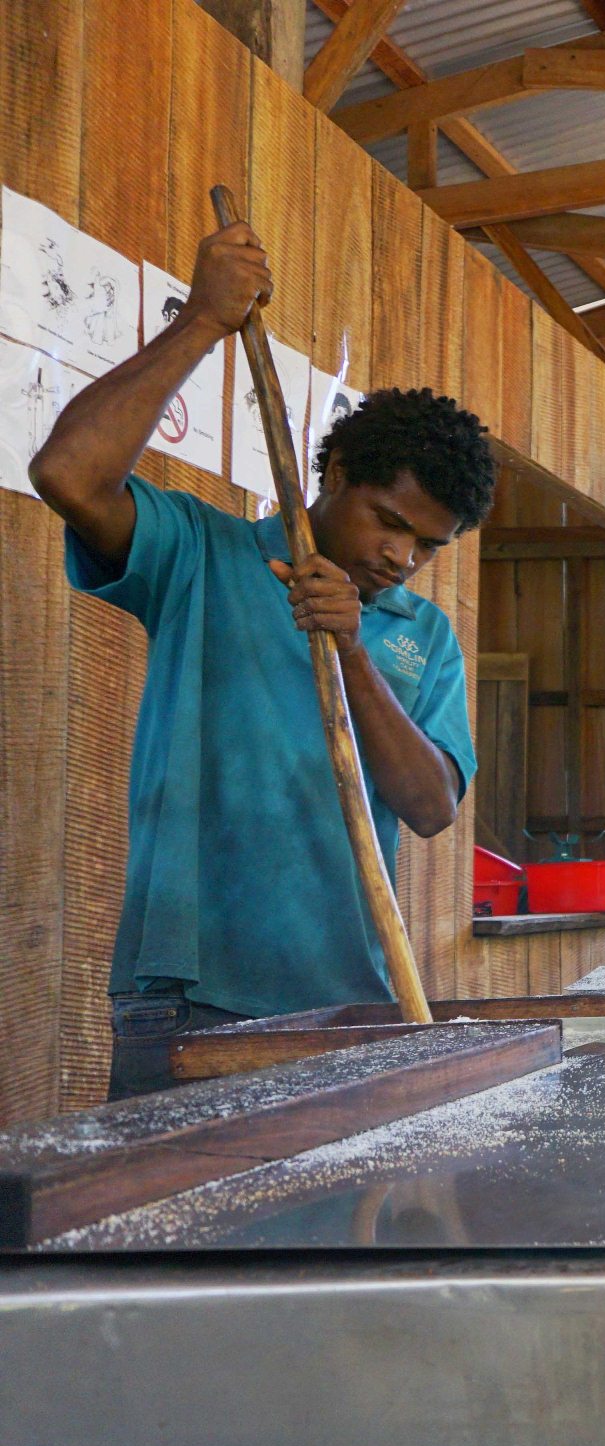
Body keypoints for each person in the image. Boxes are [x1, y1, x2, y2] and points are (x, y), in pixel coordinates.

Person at [29, 221, 493, 1099]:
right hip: (188, 996)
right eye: (389, 523)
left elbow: (430, 807)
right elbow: (68, 473)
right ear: (336, 472)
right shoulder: (199, 555)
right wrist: (203, 320)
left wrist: (352, 646)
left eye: (426, 547)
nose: (400, 557)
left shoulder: (419, 636)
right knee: (169, 1235)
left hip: (355, 1000)